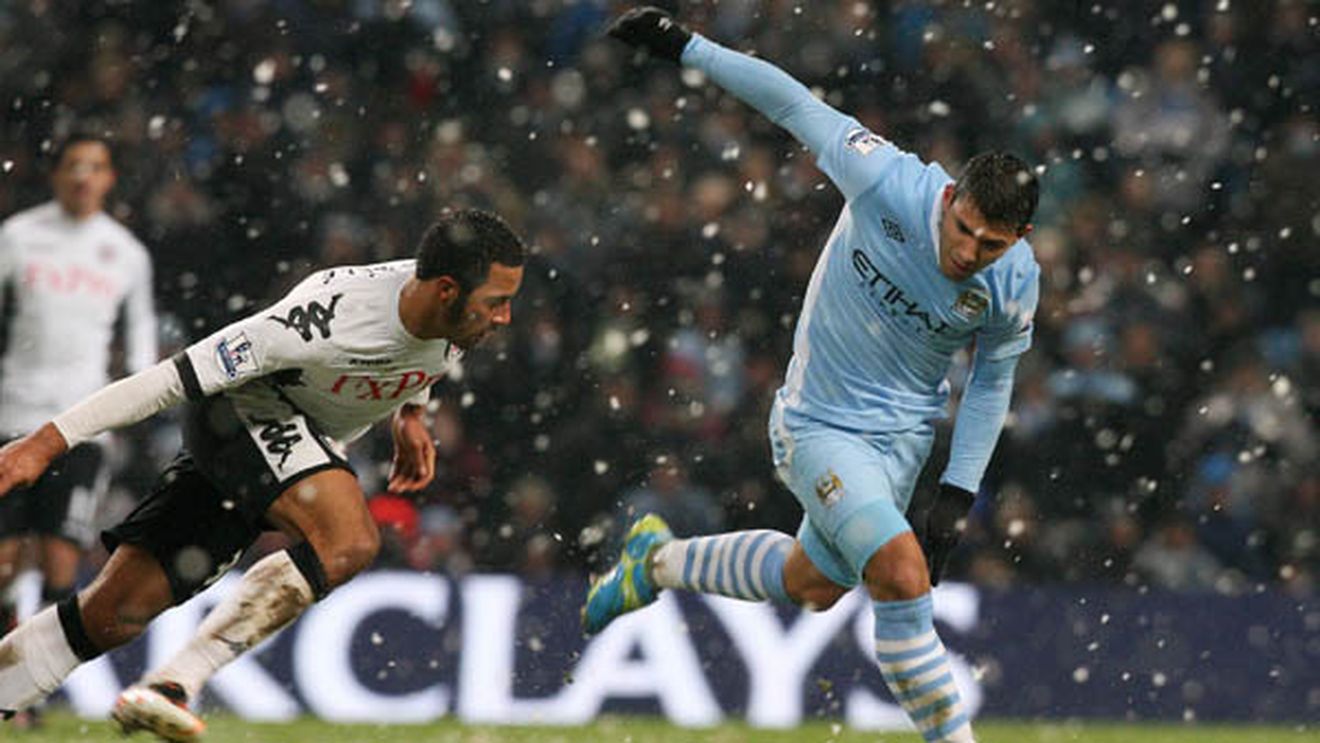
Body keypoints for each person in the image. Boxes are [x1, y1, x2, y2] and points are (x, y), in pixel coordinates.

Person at [584, 9, 1040, 743]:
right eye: (963, 230)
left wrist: (958, 491)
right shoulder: (887, 180)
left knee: (813, 583)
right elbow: (791, 100)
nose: (967, 252)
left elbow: (991, 381)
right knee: (900, 572)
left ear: (1017, 239)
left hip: (900, 442)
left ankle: (656, 561)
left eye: (990, 245)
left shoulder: (1014, 281)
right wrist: (684, 46)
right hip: (817, 424)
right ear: (951, 198)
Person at [0, 208, 525, 741]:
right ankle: (175, 683)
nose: (505, 317)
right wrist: (44, 444)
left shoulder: (454, 318)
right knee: (348, 541)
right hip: (241, 414)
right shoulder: (319, 322)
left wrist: (410, 413)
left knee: (114, 614)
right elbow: (170, 379)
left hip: (287, 439)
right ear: (445, 289)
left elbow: (426, 353)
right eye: (497, 303)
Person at [0, 131, 158, 698]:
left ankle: (24, 687)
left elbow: (140, 343)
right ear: (56, 173)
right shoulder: (17, 238)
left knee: (62, 563)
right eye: (74, 166)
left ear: (109, 178)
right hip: (10, 419)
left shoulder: (126, 253)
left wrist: (134, 398)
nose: (83, 177)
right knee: (3, 564)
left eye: (95, 167)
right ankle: (5, 678)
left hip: (82, 425)